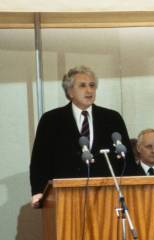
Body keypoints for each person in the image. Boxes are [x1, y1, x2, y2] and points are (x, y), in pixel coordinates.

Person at [29, 65, 136, 208]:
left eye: (92, 85)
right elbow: (39, 161)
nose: (89, 90)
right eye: (82, 86)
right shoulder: (51, 120)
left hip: (106, 197)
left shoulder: (112, 118)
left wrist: (132, 191)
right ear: (70, 91)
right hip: (65, 199)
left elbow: (126, 159)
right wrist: (38, 191)